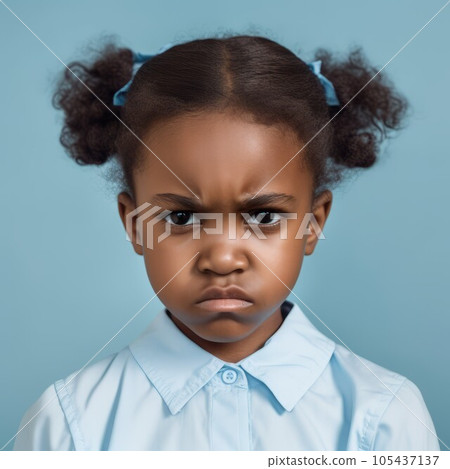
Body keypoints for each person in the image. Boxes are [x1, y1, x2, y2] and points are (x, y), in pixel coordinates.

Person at [13, 34, 440, 451]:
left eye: (264, 216)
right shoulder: (68, 427)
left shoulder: (385, 417)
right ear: (135, 224)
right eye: (181, 217)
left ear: (313, 223)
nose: (221, 258)